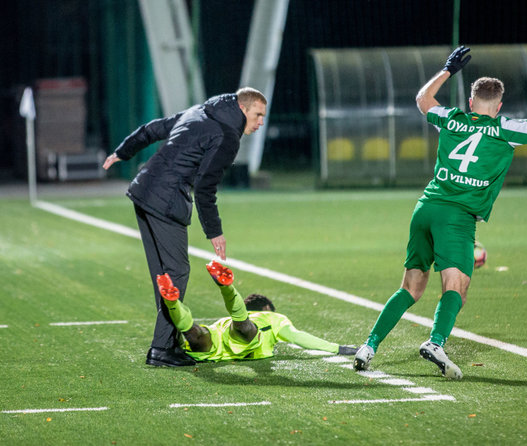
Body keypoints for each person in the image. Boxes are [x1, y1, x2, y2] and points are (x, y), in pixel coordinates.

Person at [353, 46, 527, 379]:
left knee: (410, 288)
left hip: (426, 207)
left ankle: (369, 346)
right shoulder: (506, 129)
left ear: (470, 102)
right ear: (499, 106)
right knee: (456, 286)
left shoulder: (451, 118)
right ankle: (436, 342)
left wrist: (447, 69)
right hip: (458, 217)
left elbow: (423, 99)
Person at [102, 88, 267, 367]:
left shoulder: (198, 111)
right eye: (258, 114)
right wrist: (214, 231)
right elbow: (205, 187)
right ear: (243, 108)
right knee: (177, 271)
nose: (261, 122)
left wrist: (123, 152)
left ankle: (170, 343)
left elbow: (152, 129)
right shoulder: (227, 136)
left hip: (143, 191)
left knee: (165, 277)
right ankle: (161, 349)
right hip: (165, 200)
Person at [155, 260, 357, 362]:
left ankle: (172, 302)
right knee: (245, 328)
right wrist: (337, 348)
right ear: (267, 308)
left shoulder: (230, 320)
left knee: (196, 335)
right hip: (245, 337)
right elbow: (297, 336)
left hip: (219, 335)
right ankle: (226, 288)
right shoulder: (273, 317)